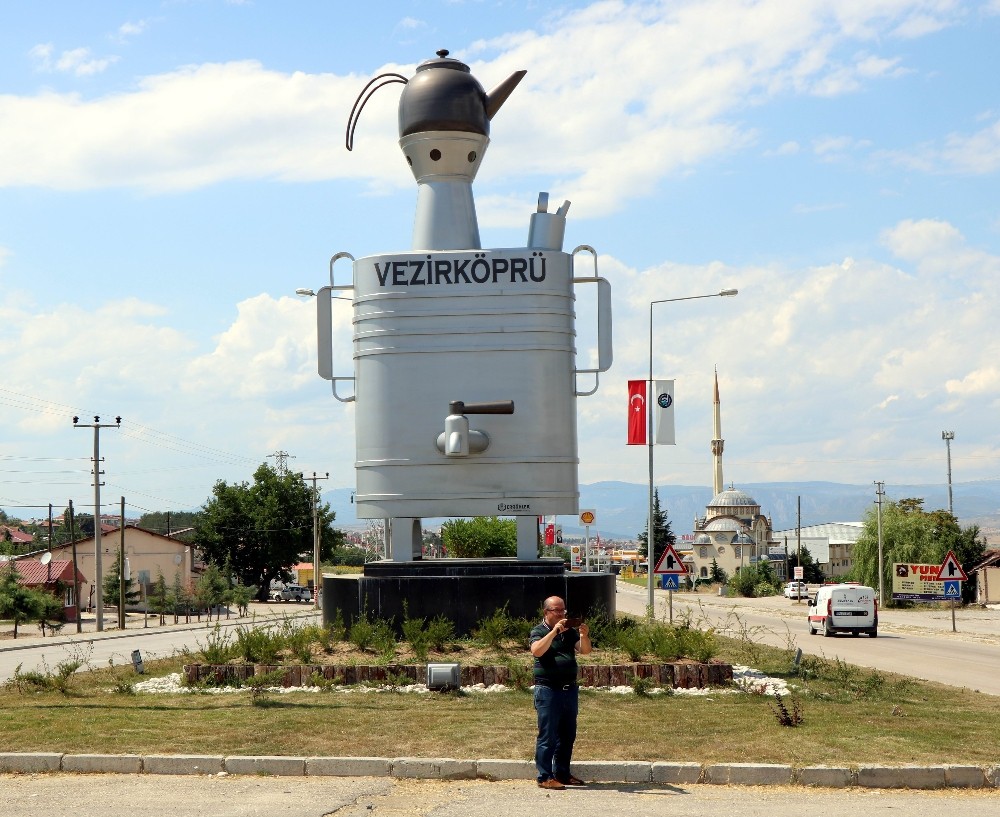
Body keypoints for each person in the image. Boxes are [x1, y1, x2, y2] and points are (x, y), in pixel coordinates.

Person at [529, 595, 592, 790]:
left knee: (567, 734)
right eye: (557, 610)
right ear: (546, 612)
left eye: (563, 610)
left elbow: (585, 651)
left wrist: (583, 635)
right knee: (548, 735)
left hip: (568, 690)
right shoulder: (538, 631)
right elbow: (537, 651)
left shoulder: (569, 632)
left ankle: (562, 773)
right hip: (548, 690)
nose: (561, 614)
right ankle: (544, 776)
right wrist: (554, 633)